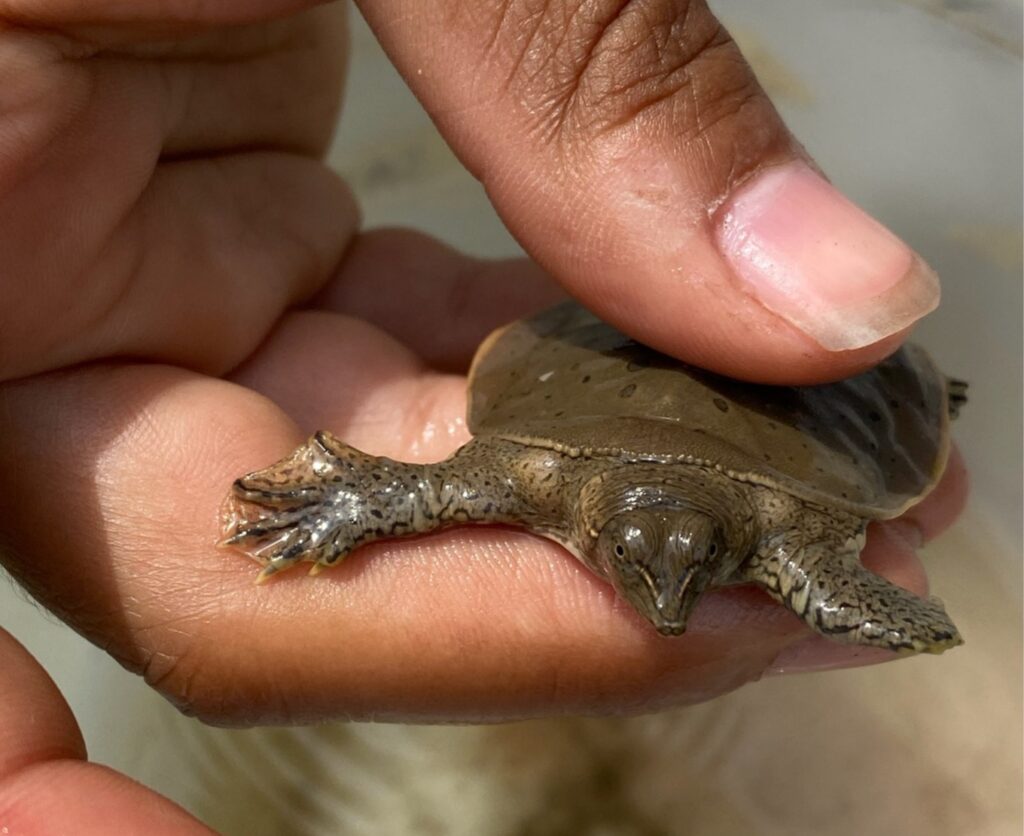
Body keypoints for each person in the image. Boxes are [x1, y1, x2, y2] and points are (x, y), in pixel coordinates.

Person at [0, 0, 967, 829]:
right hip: (611, 385)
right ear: (604, 526)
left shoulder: (774, 530)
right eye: (647, 570)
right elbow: (408, 491)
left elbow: (419, 488)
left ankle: (914, 384)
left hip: (803, 397)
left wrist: (893, 612)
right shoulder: (546, 473)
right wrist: (339, 507)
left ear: (737, 545)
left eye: (697, 568)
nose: (665, 604)